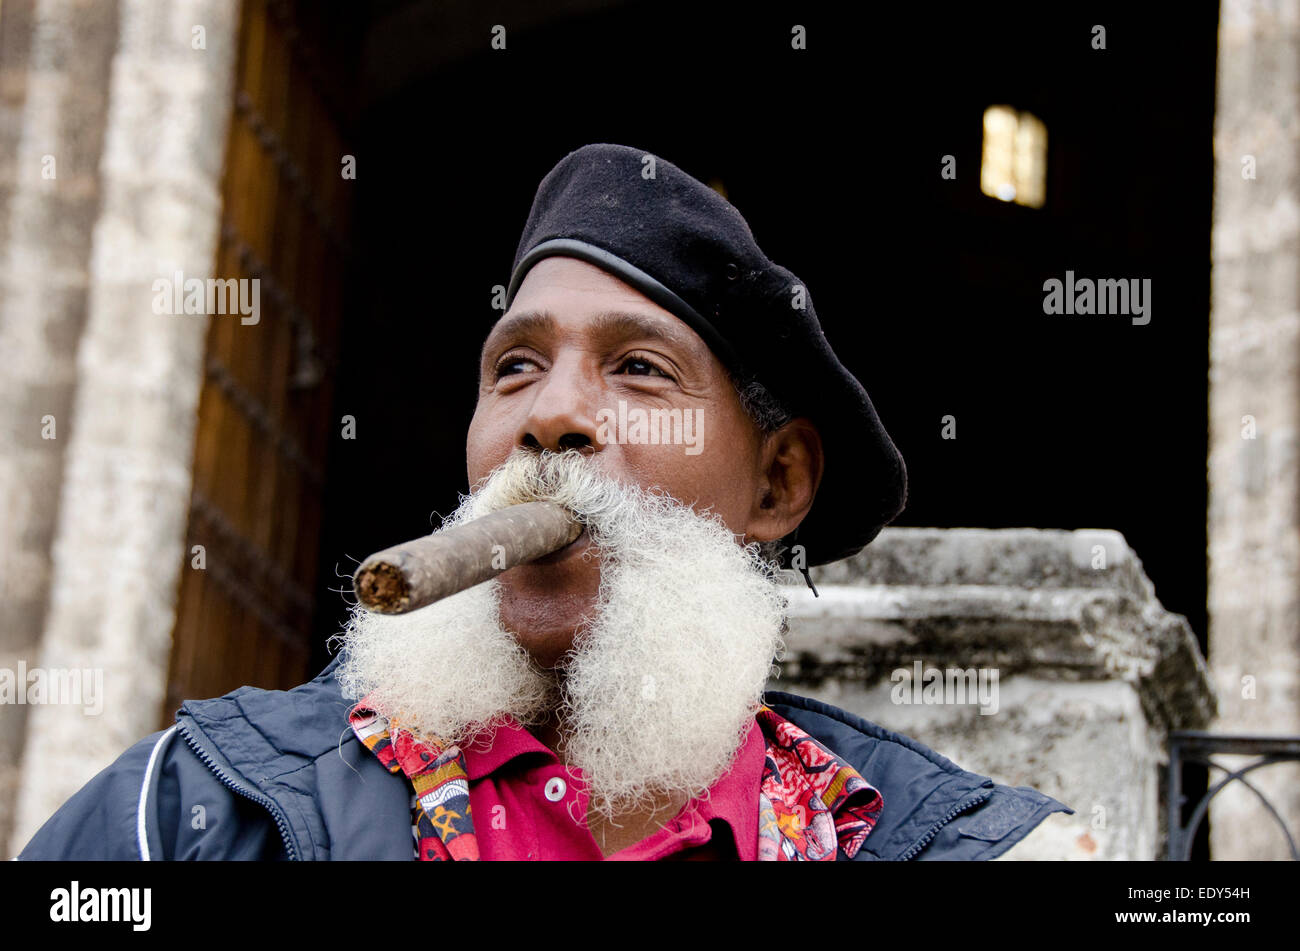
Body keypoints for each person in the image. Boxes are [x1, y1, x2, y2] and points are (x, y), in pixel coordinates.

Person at [17, 143, 1070, 861]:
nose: (552, 417)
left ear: (777, 483)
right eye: (515, 366)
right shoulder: (192, 814)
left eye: (641, 371)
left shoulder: (942, 846)